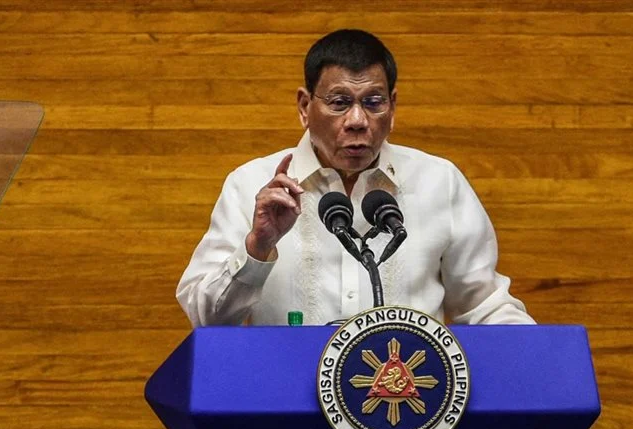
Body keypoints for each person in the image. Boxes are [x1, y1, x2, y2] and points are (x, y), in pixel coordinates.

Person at [177, 29, 536, 327]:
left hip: (405, 389)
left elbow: (485, 305)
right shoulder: (250, 185)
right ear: (304, 107)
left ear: (392, 107)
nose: (357, 120)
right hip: (284, 389)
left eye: (373, 102)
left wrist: (540, 362)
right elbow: (206, 318)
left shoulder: (439, 182)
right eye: (339, 102)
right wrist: (257, 246)